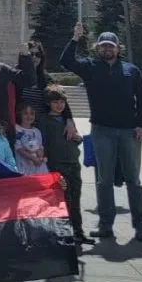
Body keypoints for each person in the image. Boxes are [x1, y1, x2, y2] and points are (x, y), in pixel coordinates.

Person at [61, 24, 142, 242]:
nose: (107, 50)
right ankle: (105, 226)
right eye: (103, 46)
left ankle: (141, 227)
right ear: (97, 48)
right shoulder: (91, 67)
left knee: (133, 179)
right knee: (104, 180)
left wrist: (141, 125)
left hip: (129, 130)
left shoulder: (131, 70)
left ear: (118, 48)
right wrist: (75, 38)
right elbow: (66, 61)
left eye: (111, 46)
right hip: (102, 130)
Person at [39, 86, 94, 245]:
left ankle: (78, 231)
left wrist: (77, 138)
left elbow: (74, 139)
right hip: (56, 164)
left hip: (72, 162)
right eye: (55, 102)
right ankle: (63, 232)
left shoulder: (67, 120)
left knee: (75, 198)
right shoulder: (44, 121)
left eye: (62, 102)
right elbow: (44, 143)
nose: (59, 105)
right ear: (49, 103)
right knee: (63, 199)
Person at [14, 104, 49, 175]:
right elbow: (18, 148)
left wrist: (40, 155)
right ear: (20, 114)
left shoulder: (37, 131)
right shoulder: (17, 129)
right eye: (25, 113)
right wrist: (33, 158)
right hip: (24, 166)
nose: (29, 116)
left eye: (32, 114)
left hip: (37, 166)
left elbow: (40, 147)